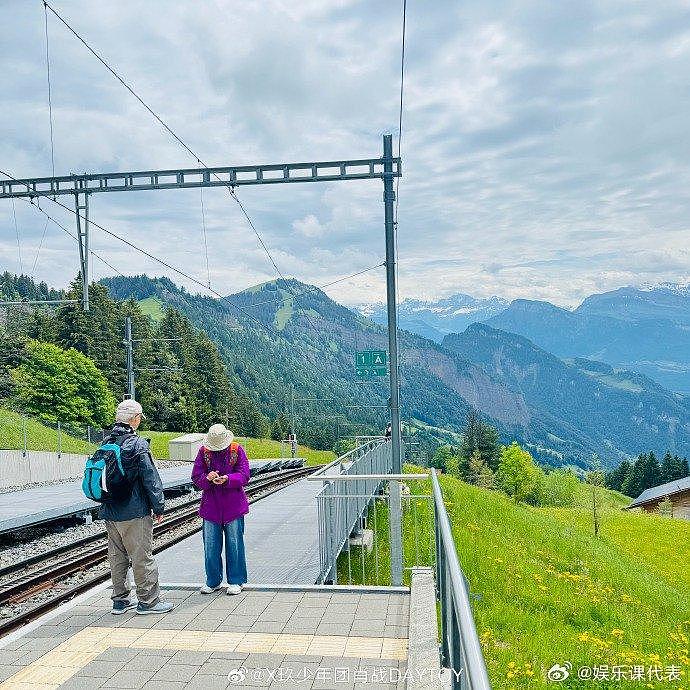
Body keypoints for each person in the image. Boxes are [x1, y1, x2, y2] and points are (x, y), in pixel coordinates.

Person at [100, 399, 174, 615]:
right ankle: (148, 601)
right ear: (135, 419)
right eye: (140, 417)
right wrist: (158, 507)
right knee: (141, 556)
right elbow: (151, 478)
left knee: (117, 556)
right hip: (134, 511)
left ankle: (120, 601)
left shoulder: (105, 442)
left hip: (110, 511)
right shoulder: (138, 444)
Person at [192, 423, 250, 595]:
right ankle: (213, 580)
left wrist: (227, 478)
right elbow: (196, 477)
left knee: (235, 544)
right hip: (212, 507)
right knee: (210, 546)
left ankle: (236, 581)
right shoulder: (204, 452)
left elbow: (245, 475)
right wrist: (207, 478)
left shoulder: (236, 450)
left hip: (233, 507)